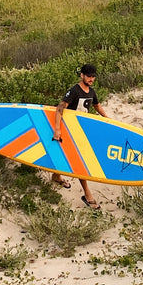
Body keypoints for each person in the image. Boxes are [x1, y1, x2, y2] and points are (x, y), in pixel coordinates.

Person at [51, 63, 107, 210]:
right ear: (82, 75)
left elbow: (97, 106)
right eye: (88, 76)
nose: (91, 79)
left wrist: (107, 119)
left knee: (70, 156)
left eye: (93, 76)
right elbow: (60, 108)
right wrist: (57, 129)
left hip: (81, 131)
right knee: (79, 161)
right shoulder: (74, 91)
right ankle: (88, 195)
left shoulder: (91, 91)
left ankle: (56, 176)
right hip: (69, 129)